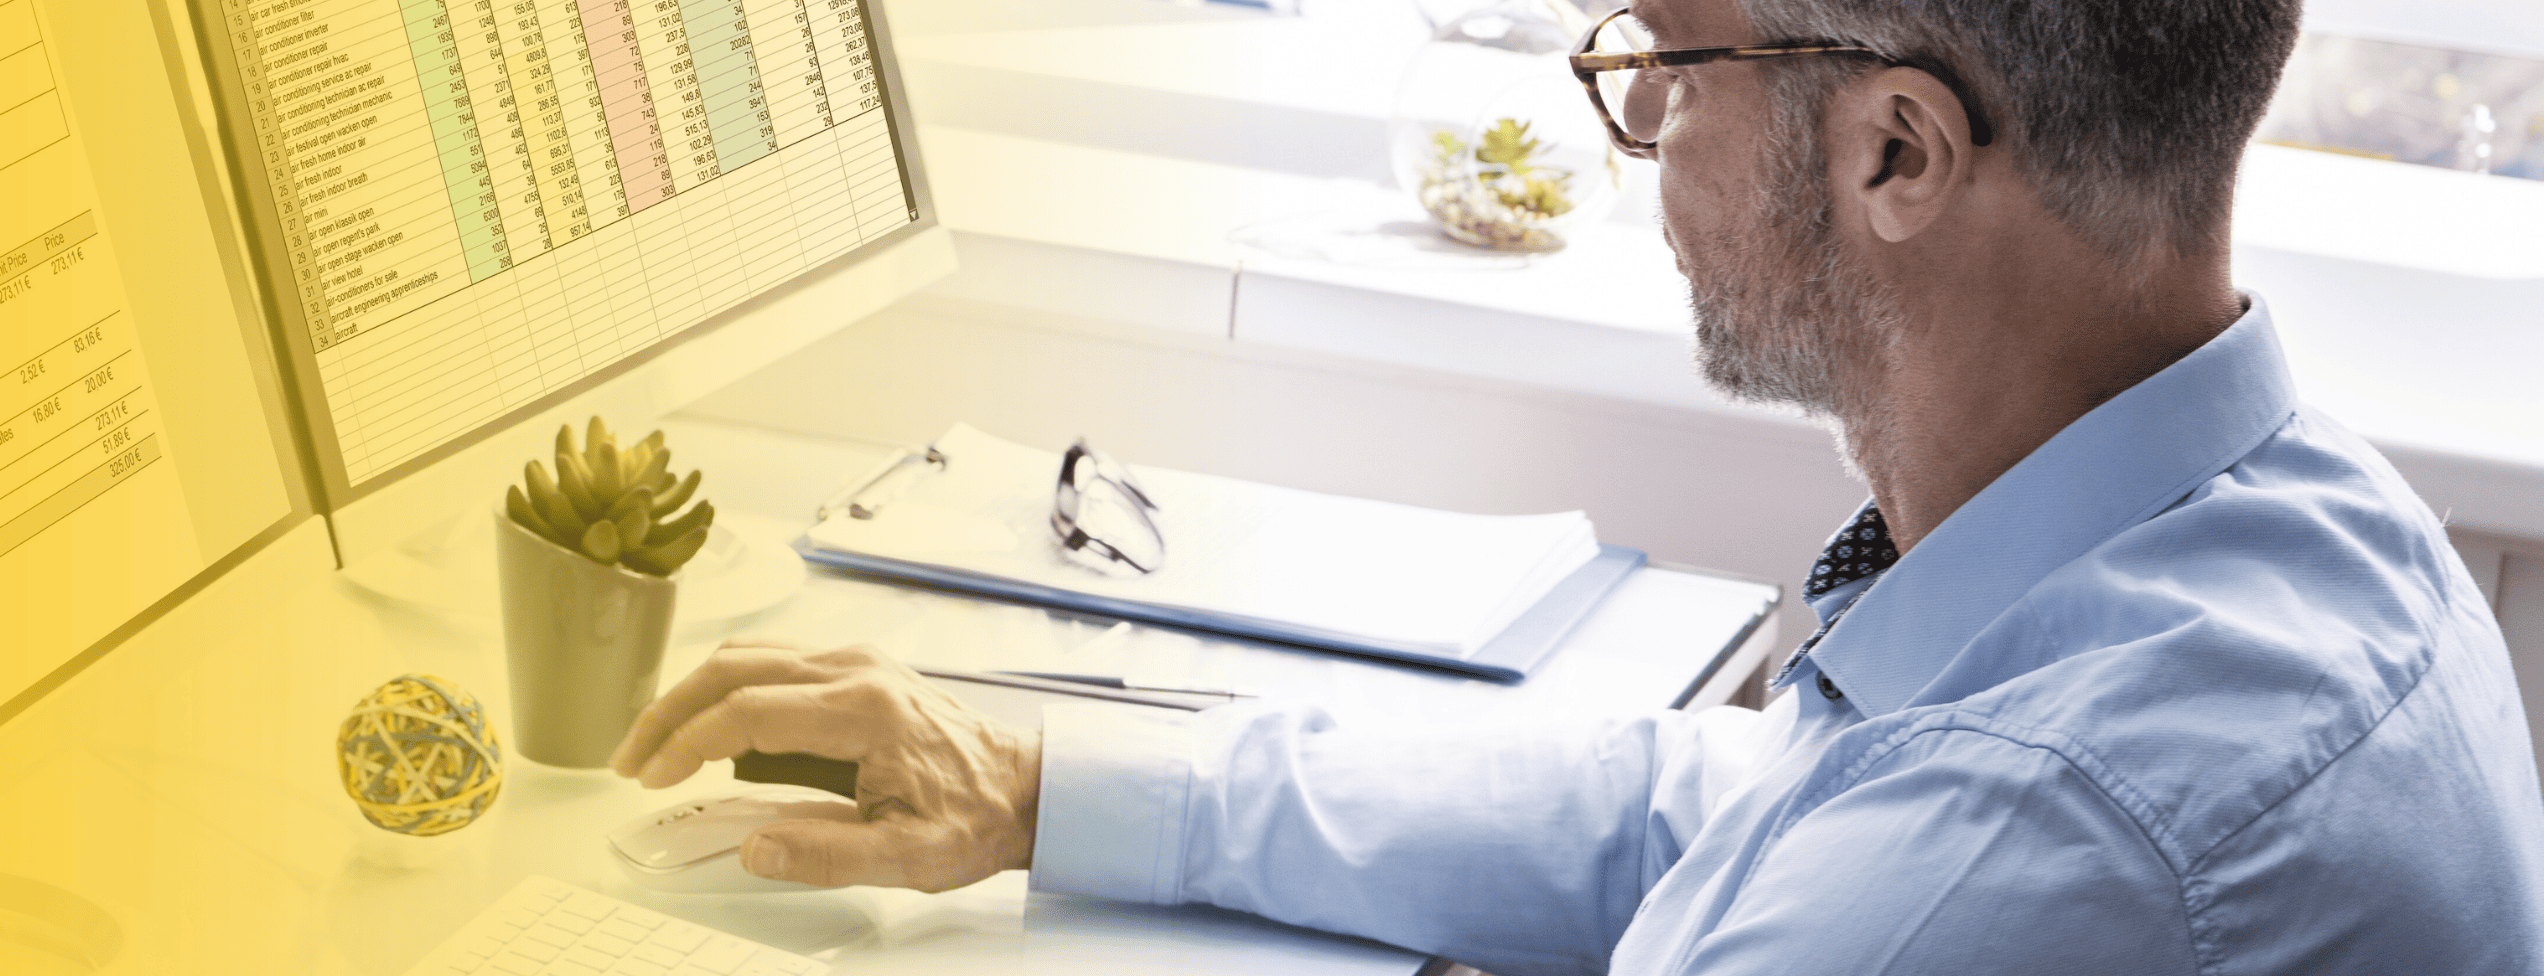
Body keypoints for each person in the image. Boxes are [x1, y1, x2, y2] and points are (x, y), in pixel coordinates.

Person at [612, 0, 2544, 970]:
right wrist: (1049, 785)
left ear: (1896, 153)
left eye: (1668, 71)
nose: (1643, 143)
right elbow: (1716, 802)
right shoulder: (2302, 533)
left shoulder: (2047, 854)